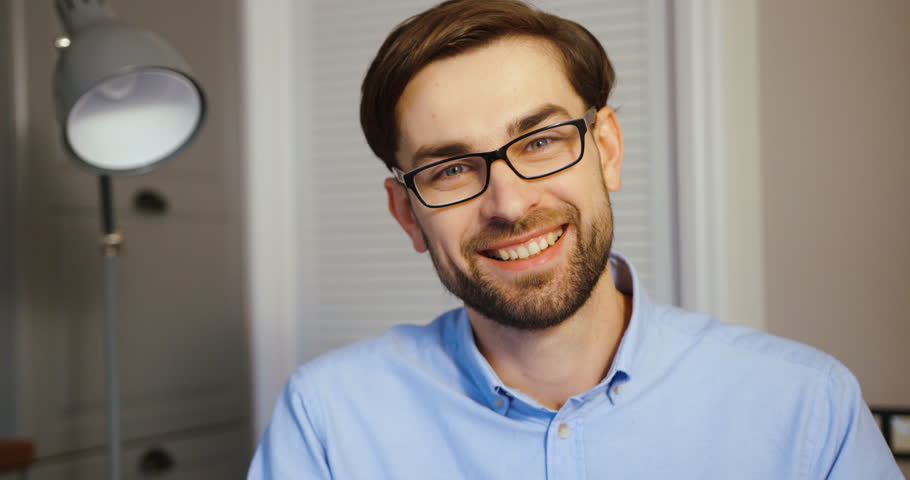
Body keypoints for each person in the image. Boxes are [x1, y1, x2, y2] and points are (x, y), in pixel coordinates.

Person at [248, 1, 902, 478]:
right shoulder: (328, 420)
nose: (509, 204)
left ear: (608, 149)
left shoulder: (806, 407)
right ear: (407, 214)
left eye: (540, 142)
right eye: (450, 168)